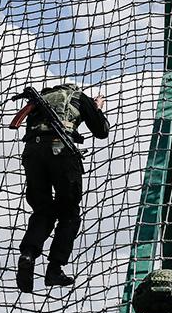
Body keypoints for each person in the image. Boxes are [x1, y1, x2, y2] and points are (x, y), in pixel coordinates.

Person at [15, 83, 109, 293]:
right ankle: (54, 269)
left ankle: (27, 255)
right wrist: (96, 108)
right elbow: (101, 131)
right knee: (69, 214)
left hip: (32, 152)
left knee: (42, 211)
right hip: (61, 151)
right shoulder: (78, 97)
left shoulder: (40, 99)